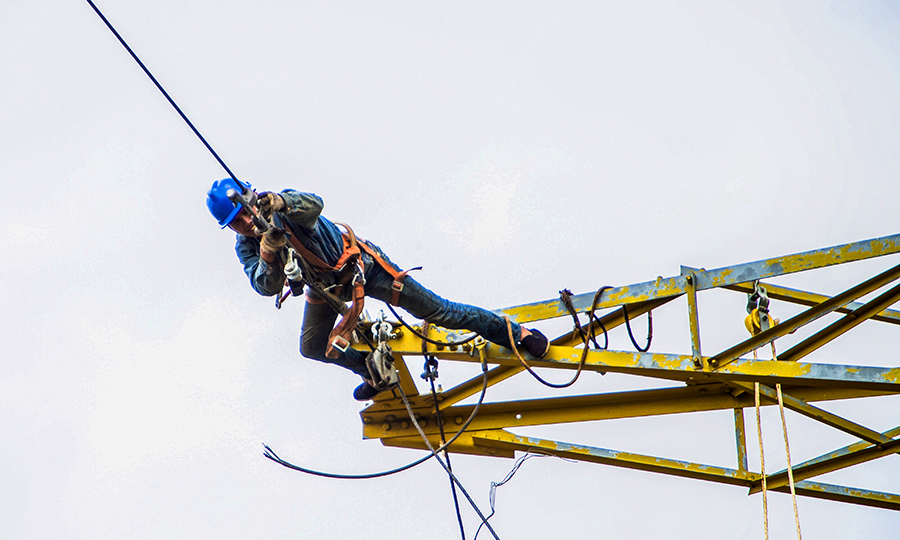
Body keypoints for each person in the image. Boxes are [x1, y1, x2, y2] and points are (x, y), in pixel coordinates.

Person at [206, 178, 549, 400]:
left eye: (246, 213)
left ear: (252, 201)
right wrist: (268, 252)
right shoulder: (247, 247)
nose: (247, 223)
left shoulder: (282, 207)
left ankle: (516, 334)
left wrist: (280, 203)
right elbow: (265, 286)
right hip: (327, 290)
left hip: (363, 268)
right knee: (311, 347)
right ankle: (371, 371)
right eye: (237, 222)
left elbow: (315, 205)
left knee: (441, 312)